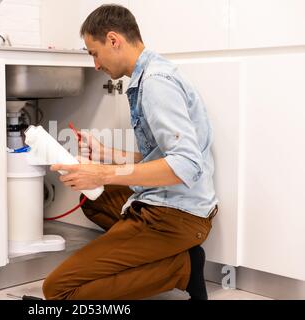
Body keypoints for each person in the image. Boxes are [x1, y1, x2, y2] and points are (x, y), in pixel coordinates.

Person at [43, 4, 218, 300]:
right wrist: (106, 154)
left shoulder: (155, 84)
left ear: (114, 40)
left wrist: (104, 173)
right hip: (171, 202)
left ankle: (182, 267)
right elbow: (161, 157)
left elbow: (186, 165)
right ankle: (150, 252)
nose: (95, 65)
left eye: (94, 53)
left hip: (176, 214)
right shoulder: (149, 73)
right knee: (94, 199)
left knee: (58, 290)